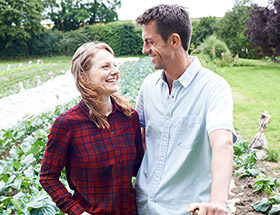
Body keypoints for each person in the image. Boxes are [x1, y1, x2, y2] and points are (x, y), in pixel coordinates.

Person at [134, 4, 237, 215]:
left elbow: (222, 142)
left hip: (186, 210)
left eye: (150, 42)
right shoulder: (148, 86)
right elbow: (141, 140)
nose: (145, 50)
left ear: (174, 40)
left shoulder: (214, 88)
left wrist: (218, 201)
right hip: (143, 206)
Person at [39, 41, 144, 215]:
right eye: (105, 66)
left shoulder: (129, 117)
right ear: (83, 77)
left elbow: (139, 167)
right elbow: (48, 177)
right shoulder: (67, 124)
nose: (115, 71)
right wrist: (77, 212)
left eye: (115, 65)